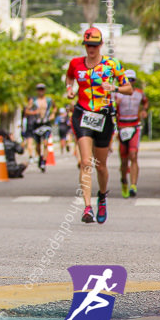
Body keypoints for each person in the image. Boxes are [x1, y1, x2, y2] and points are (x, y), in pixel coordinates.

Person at [65, 27, 132, 224]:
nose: (91, 49)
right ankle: (87, 207)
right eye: (88, 45)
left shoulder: (112, 65)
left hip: (103, 117)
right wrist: (70, 89)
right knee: (86, 162)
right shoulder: (76, 63)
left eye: (94, 45)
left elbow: (129, 88)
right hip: (82, 114)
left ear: (100, 45)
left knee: (101, 166)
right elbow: (69, 77)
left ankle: (102, 197)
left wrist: (114, 88)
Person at [113, 70, 148, 198]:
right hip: (122, 127)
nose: (130, 82)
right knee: (123, 160)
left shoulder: (139, 93)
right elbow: (113, 112)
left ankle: (133, 185)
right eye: (128, 80)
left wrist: (144, 111)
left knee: (133, 155)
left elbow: (146, 102)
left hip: (135, 126)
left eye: (132, 80)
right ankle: (124, 181)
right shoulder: (117, 95)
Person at [24, 83, 55, 172]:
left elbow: (55, 108)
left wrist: (52, 114)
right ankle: (40, 157)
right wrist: (34, 113)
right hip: (37, 124)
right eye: (39, 89)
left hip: (46, 123)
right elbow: (26, 111)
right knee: (38, 145)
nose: (40, 91)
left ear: (44, 90)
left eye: (42, 89)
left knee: (45, 143)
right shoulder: (33, 101)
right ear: (37, 91)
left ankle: (43, 162)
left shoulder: (49, 100)